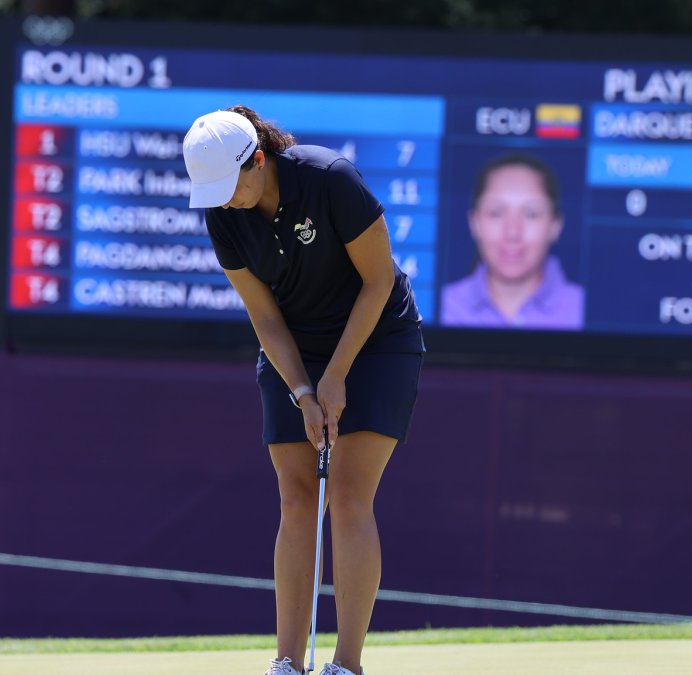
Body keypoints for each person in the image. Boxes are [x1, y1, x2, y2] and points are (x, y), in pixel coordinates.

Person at [183, 106, 424, 675]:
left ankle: (346, 664)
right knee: (297, 498)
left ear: (258, 160)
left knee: (346, 496)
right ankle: (287, 663)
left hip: (376, 340)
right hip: (293, 343)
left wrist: (336, 376)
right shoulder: (225, 215)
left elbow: (378, 280)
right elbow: (264, 316)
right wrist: (301, 389)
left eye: (230, 184)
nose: (225, 199)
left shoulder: (329, 178)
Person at [440, 151, 584, 329]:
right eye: (496, 213)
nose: (512, 232)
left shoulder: (585, 310)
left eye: (531, 214)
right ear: (474, 222)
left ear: (556, 225)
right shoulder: (439, 308)